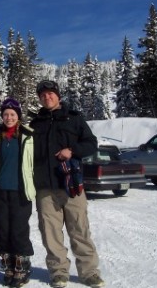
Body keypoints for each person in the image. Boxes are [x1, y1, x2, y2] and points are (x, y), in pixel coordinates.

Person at [30, 80, 105, 288]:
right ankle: (58, 272)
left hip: (72, 185)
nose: (47, 97)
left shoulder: (75, 118)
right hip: (45, 188)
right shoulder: (35, 124)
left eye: (50, 94)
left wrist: (72, 151)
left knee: (80, 230)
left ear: (58, 96)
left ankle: (89, 272)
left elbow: (91, 144)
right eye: (43, 95)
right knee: (50, 233)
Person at [0, 97, 35, 287]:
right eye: (5, 114)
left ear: (19, 116)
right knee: (2, 230)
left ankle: (22, 266)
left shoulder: (28, 135)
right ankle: (8, 264)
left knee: (19, 230)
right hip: (0, 191)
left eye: (12, 114)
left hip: (20, 191)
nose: (9, 117)